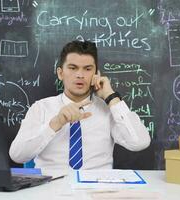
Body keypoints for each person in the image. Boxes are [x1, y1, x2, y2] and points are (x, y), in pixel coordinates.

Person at [9, 40, 150, 170]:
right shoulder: (41, 108)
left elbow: (140, 143)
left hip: (98, 189)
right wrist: (55, 123)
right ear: (60, 73)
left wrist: (111, 97)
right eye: (73, 68)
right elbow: (17, 155)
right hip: (51, 188)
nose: (80, 75)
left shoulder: (109, 111)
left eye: (88, 69)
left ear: (96, 74)